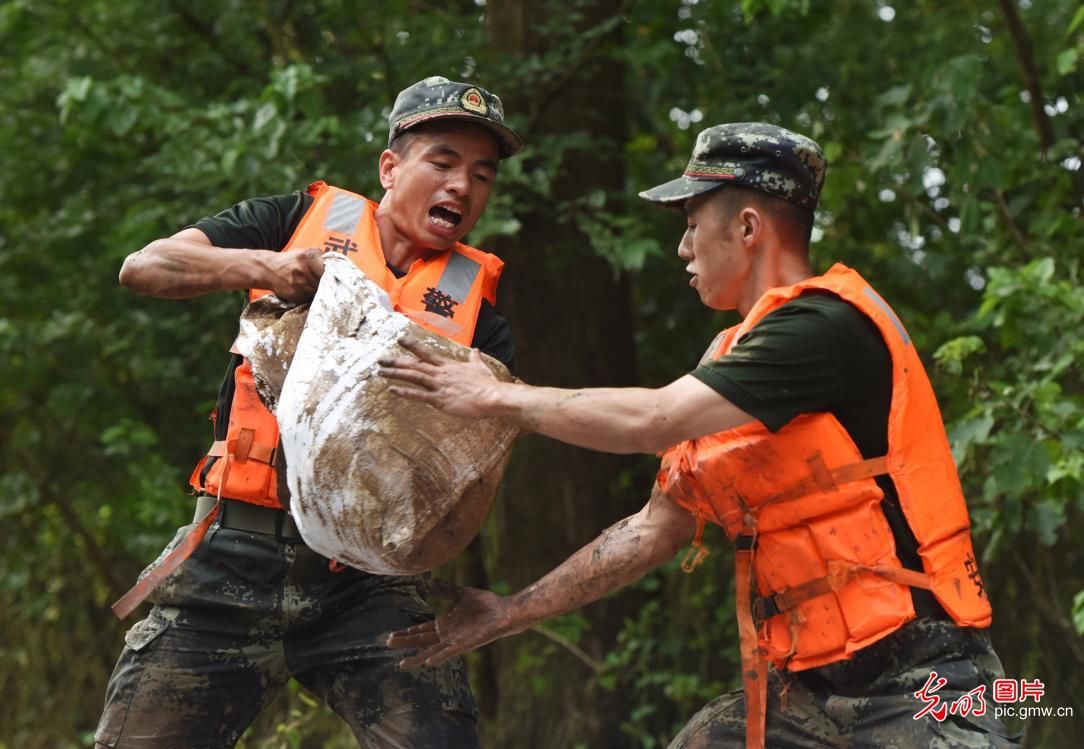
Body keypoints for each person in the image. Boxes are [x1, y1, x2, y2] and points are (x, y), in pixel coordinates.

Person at [379, 123, 1019, 747]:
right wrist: (509, 613)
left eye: (691, 224)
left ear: (746, 228)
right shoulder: (734, 360)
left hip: (925, 678)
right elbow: (653, 529)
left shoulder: (821, 327)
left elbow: (653, 419)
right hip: (804, 691)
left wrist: (495, 397)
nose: (682, 248)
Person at [95, 75, 522, 749]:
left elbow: (472, 463)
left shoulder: (481, 319)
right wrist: (265, 264)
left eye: (481, 175)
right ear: (390, 166)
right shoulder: (296, 221)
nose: (461, 187)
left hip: (367, 582)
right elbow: (144, 267)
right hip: (233, 553)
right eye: (442, 162)